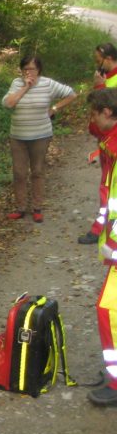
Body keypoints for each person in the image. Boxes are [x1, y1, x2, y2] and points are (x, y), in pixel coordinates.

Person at [1, 55, 76, 223]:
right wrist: (25, 88)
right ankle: (20, 208)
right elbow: (8, 104)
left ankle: (37, 207)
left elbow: (72, 94)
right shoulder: (16, 83)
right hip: (18, 136)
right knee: (19, 173)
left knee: (37, 171)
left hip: (41, 135)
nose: (28, 72)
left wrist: (55, 108)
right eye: (25, 69)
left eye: (32, 69)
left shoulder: (48, 84)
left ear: (39, 70)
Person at [86, 88, 117, 407]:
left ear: (108, 113)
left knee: (109, 310)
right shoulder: (111, 142)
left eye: (95, 113)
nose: (92, 120)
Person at [80, 43, 117, 244]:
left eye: (98, 60)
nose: (97, 64)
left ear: (108, 58)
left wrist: (100, 87)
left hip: (112, 141)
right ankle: (102, 226)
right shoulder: (105, 78)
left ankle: (101, 229)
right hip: (105, 141)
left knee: (109, 188)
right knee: (107, 186)